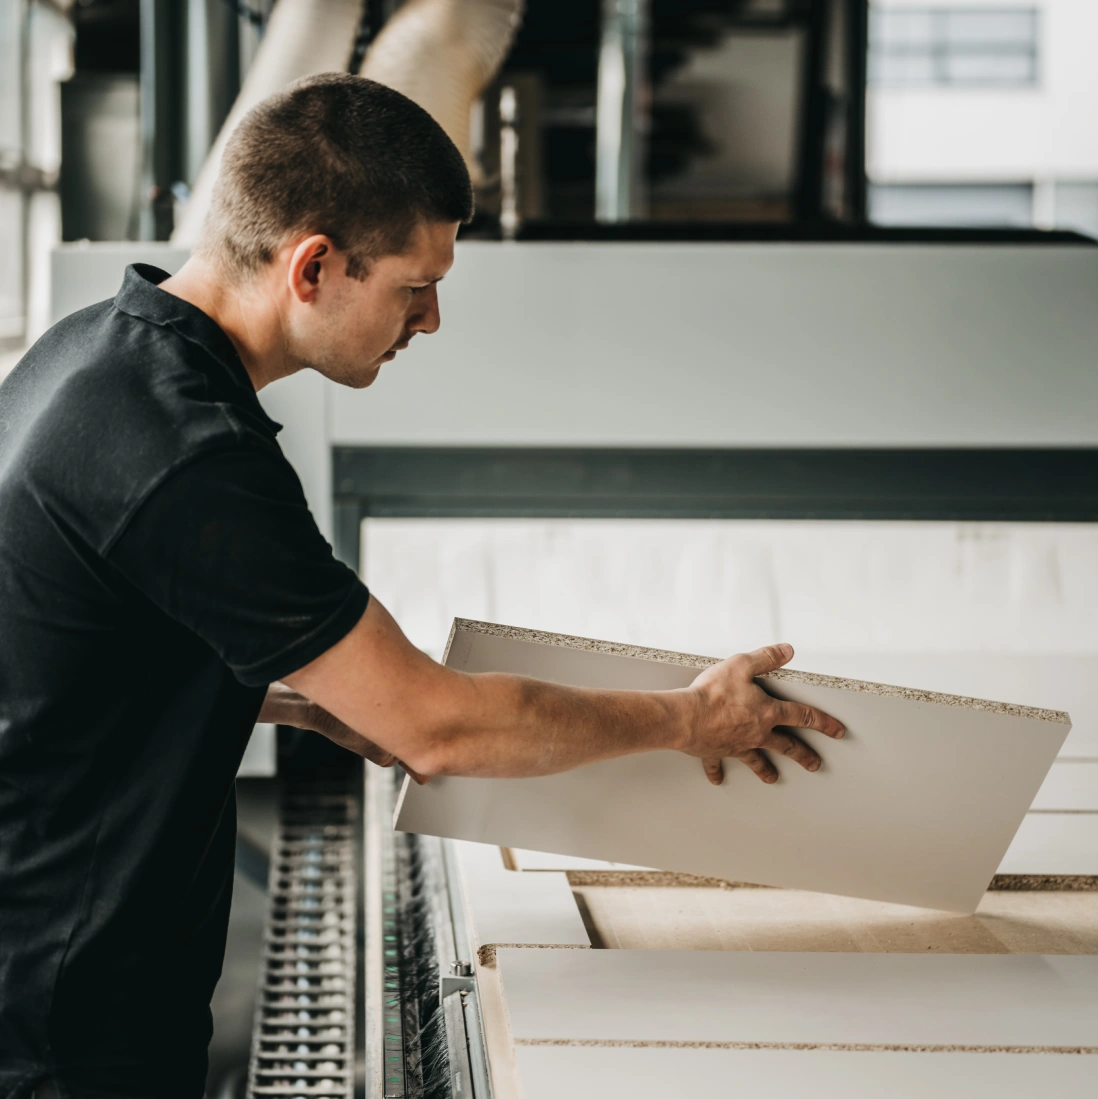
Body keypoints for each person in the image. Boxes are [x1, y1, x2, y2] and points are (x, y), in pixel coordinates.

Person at [0, 73, 843, 1099]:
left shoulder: (90, 354)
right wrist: (691, 717)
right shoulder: (187, 450)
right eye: (414, 286)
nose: (431, 320)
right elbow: (439, 729)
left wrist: (289, 697)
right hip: (71, 1022)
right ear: (314, 266)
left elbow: (72, 650)